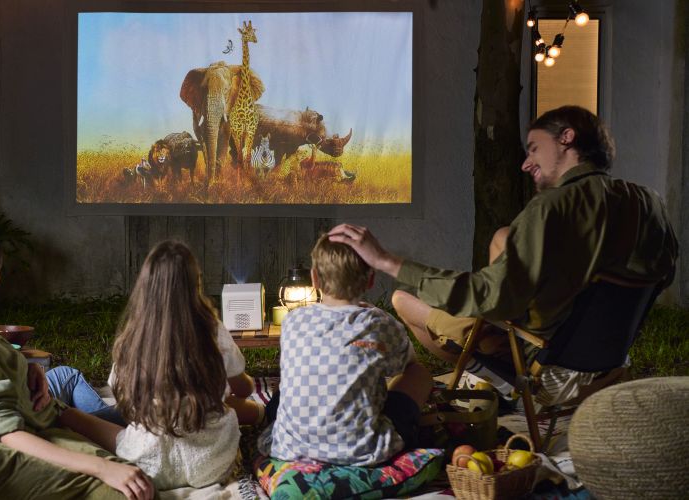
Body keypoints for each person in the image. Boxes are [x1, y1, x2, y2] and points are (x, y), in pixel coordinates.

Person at [330, 105, 678, 407]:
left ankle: (498, 384)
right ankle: (496, 373)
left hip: (548, 371)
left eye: (533, 149)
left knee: (403, 300)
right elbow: (655, 279)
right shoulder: (648, 201)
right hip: (611, 363)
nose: (527, 164)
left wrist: (387, 261)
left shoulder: (552, 207)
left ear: (567, 138)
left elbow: (487, 297)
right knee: (502, 239)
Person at [0, 224, 155, 500]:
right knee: (141, 418)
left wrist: (24, 366)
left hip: (41, 400)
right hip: (47, 415)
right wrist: (102, 468)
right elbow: (9, 434)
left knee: (70, 376)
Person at [90, 240, 255, 490]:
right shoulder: (212, 331)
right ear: (195, 285)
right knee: (232, 407)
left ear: (146, 288)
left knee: (82, 416)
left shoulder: (131, 340)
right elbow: (244, 390)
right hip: (209, 466)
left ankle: (61, 414)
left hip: (148, 466)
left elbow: (120, 395)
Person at [261, 234, 433, 466]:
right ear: (371, 280)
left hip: (290, 446)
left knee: (285, 391)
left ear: (315, 280)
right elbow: (406, 365)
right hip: (364, 449)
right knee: (419, 372)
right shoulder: (379, 323)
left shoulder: (293, 319)